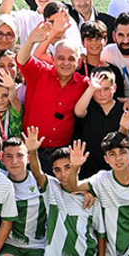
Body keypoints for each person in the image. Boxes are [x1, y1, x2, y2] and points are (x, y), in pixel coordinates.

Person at [40, 146, 106, 256]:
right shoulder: (51, 188)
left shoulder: (92, 197)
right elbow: (36, 172)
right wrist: (32, 152)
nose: (63, 174)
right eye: (57, 170)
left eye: (68, 167)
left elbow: (101, 233)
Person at [18, 20, 89, 166]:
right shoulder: (40, 72)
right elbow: (22, 60)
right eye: (61, 58)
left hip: (62, 152)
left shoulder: (84, 83)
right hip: (32, 147)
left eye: (71, 59)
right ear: (53, 59)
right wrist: (31, 40)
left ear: (78, 62)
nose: (66, 63)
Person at [0, 131, 49, 256]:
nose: (15, 161)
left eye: (20, 155)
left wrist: (86, 193)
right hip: (11, 244)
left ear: (27, 158)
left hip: (37, 244)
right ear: (2, 159)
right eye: (9, 156)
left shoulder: (41, 181)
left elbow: (69, 186)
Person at [74, 68, 129, 174]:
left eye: (106, 89)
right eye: (97, 90)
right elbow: (79, 112)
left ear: (114, 88)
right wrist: (91, 88)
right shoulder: (89, 106)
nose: (102, 94)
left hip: (117, 167)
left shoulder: (123, 110)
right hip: (91, 167)